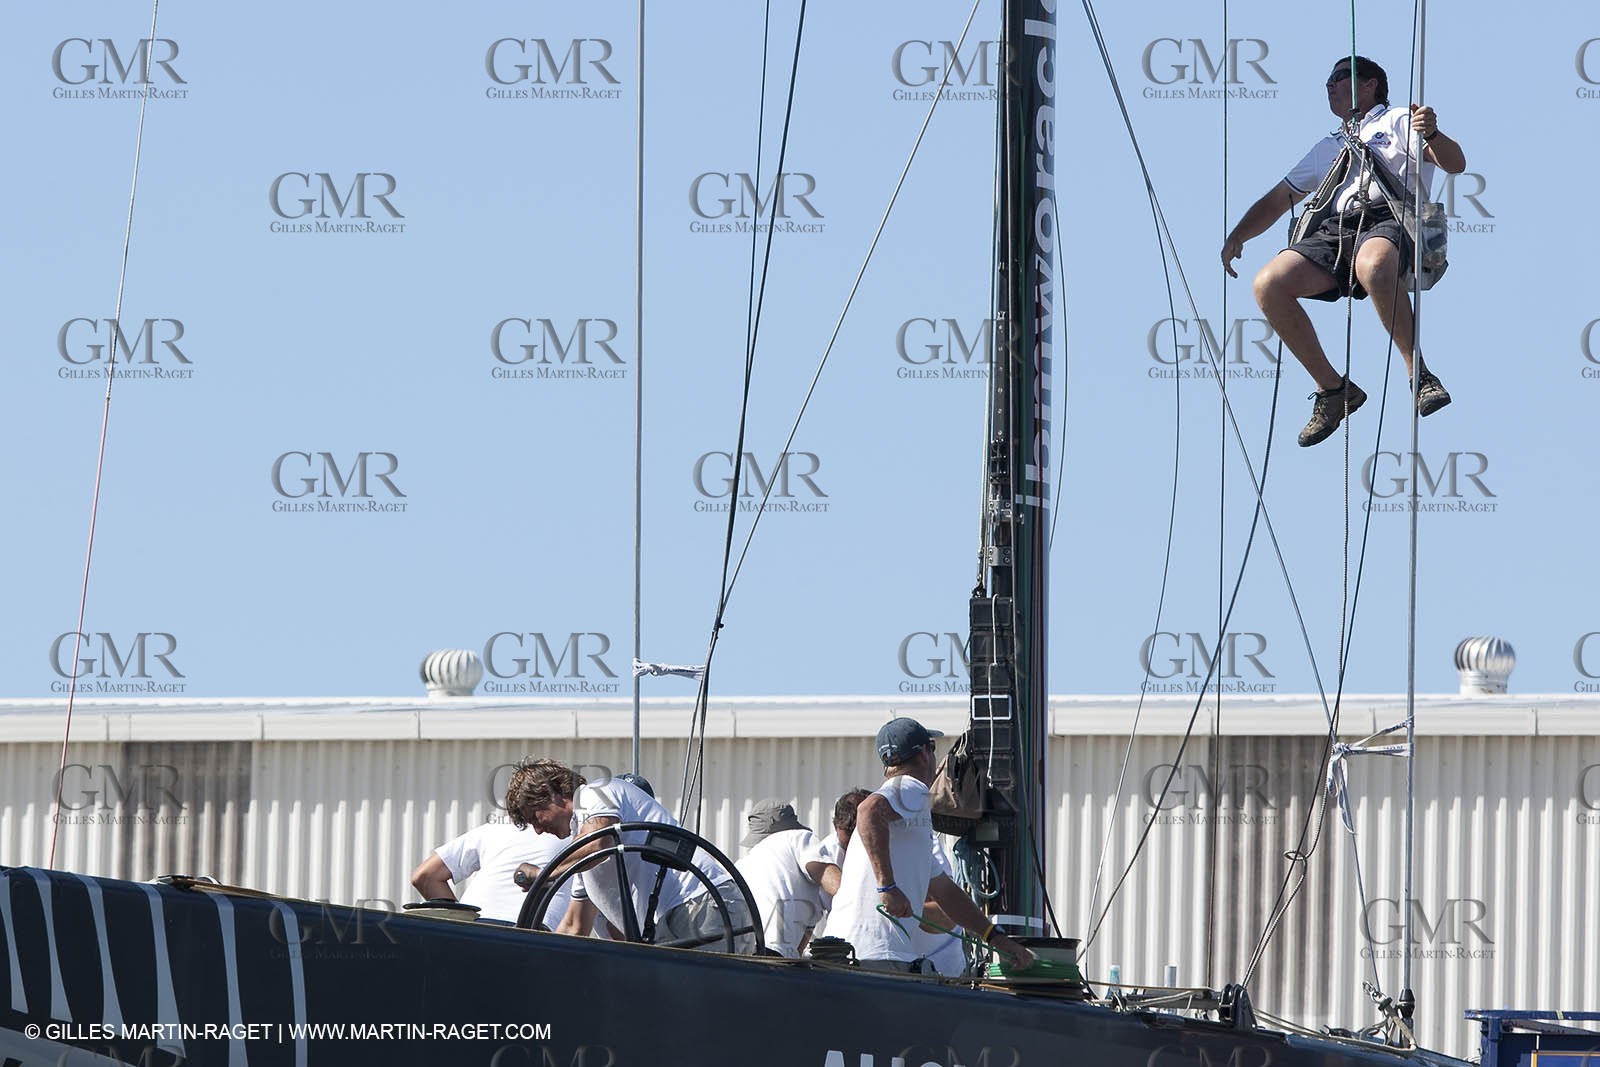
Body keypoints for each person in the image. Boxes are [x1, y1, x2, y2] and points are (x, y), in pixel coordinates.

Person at [1221, 55, 1466, 447]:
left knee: (1375, 266)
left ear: (1370, 85)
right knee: (1269, 284)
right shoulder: (1330, 146)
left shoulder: (1398, 121)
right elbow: (1280, 198)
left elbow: (1455, 164)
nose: (1330, 85)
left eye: (1339, 77)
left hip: (1388, 218)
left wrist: (1433, 134)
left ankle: (1419, 374)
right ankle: (1334, 390)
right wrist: (1239, 235)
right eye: (1329, 81)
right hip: (1336, 229)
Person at [827, 717, 1035, 973]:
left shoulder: (907, 818)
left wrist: (994, 937)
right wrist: (887, 886)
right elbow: (868, 809)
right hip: (877, 954)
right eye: (933, 748)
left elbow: (945, 891)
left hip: (840, 950)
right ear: (925, 753)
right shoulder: (911, 787)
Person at [511, 759, 756, 953]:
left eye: (534, 817)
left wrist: (543, 874)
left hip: (700, 907)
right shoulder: (582, 861)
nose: (538, 830)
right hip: (674, 922)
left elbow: (597, 842)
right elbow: (574, 926)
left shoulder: (595, 792)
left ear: (548, 792)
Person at [409, 757, 573, 924]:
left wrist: (458, 923)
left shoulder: (496, 828)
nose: (538, 830)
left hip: (476, 928)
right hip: (531, 933)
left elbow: (426, 875)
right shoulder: (581, 835)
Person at [734, 799, 842, 958]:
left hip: (742, 954)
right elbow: (830, 879)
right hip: (777, 953)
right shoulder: (799, 837)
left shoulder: (740, 865)